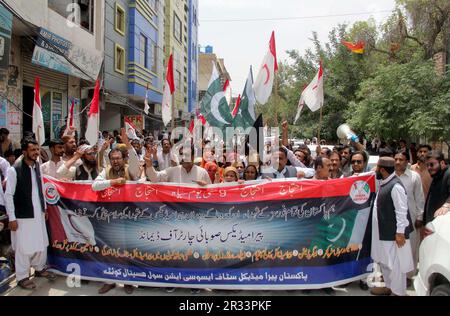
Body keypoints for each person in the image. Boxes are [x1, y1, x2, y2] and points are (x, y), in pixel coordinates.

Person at [4, 138, 57, 290]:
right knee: (23, 247)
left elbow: (40, 189)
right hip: (22, 215)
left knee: (41, 243)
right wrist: (12, 218)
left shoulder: (37, 167)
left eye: (37, 150)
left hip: (38, 213)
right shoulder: (14, 170)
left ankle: (39, 269)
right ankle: (22, 276)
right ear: (24, 152)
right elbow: (8, 195)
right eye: (32, 150)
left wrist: (45, 208)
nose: (36, 153)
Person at [370, 157, 413, 296]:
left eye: (377, 168)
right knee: (385, 262)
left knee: (396, 266)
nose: (375, 170)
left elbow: (402, 211)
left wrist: (400, 233)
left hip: (393, 235)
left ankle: (398, 292)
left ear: (382, 170)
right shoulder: (385, 182)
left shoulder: (396, 186)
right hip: (383, 233)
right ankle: (389, 287)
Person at [394, 151, 425, 283]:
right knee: (393, 249)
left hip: (411, 219)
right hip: (393, 219)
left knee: (410, 248)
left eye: (401, 159)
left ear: (407, 162)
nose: (397, 162)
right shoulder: (390, 176)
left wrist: (419, 217)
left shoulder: (414, 177)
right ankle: (393, 275)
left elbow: (419, 198)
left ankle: (407, 277)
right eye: (395, 159)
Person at [145, 145, 211, 186]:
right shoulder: (173, 171)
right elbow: (155, 178)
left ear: (193, 157)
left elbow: (212, 193)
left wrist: (206, 187)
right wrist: (149, 166)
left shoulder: (202, 173)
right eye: (181, 154)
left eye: (187, 154)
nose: (183, 158)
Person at [423, 151, 450, 225]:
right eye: (427, 165)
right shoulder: (438, 174)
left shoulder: (448, 174)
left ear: (442, 163)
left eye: (432, 164)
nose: (429, 168)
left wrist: (447, 205)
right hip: (433, 223)